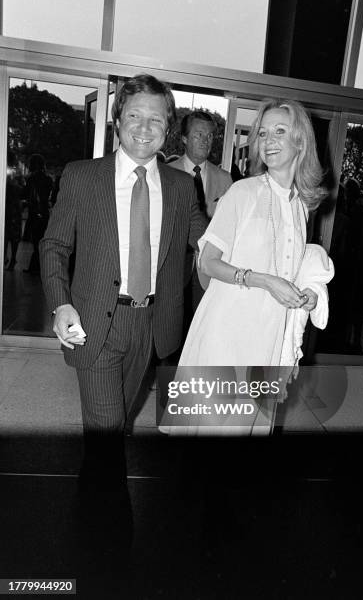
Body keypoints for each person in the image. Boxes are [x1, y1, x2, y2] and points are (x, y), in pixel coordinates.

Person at [40, 74, 206, 485]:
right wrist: (61, 302)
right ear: (118, 121)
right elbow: (54, 245)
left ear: (169, 130)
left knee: (118, 421)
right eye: (135, 115)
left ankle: (96, 490)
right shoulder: (81, 176)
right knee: (107, 428)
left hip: (150, 326)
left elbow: (211, 242)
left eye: (156, 120)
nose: (144, 128)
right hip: (94, 321)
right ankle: (102, 515)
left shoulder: (183, 187)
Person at [178, 98, 330, 367]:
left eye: (279, 131)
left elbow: (288, 270)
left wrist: (305, 295)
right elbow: (208, 261)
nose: (268, 140)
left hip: (270, 329)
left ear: (301, 141)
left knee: (257, 407)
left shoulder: (301, 207)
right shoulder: (242, 192)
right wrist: (265, 281)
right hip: (226, 328)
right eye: (262, 133)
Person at [170, 110, 233, 318]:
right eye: (198, 135)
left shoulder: (225, 180)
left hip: (209, 271)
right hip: (173, 268)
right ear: (184, 138)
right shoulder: (165, 174)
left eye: (209, 136)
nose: (205, 141)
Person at [24, 154, 53, 273]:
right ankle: (37, 267)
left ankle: (35, 267)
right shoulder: (48, 179)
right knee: (40, 241)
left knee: (36, 241)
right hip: (44, 213)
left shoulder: (32, 179)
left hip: (35, 212)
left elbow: (27, 195)